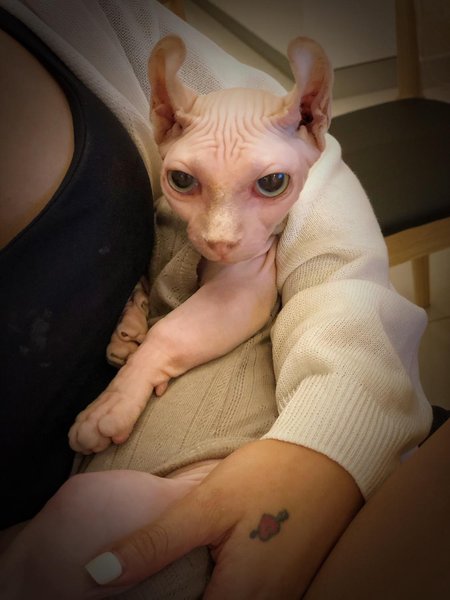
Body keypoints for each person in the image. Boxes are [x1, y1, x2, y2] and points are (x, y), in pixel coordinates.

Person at [1, 1, 447, 598]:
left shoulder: (84, 16)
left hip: (253, 453)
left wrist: (324, 450)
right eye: (184, 182)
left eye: (269, 185)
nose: (219, 234)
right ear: (164, 119)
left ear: (312, 115)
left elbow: (321, 209)